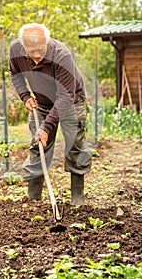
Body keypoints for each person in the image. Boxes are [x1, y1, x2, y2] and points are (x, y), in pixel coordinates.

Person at [9, 23, 91, 205]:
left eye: (40, 50)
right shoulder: (15, 49)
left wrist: (46, 126)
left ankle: (77, 198)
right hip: (42, 103)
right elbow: (15, 74)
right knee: (39, 145)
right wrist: (24, 96)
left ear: (47, 41)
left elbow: (65, 96)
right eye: (31, 52)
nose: (37, 56)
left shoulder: (62, 56)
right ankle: (34, 198)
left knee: (75, 145)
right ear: (22, 46)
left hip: (71, 101)